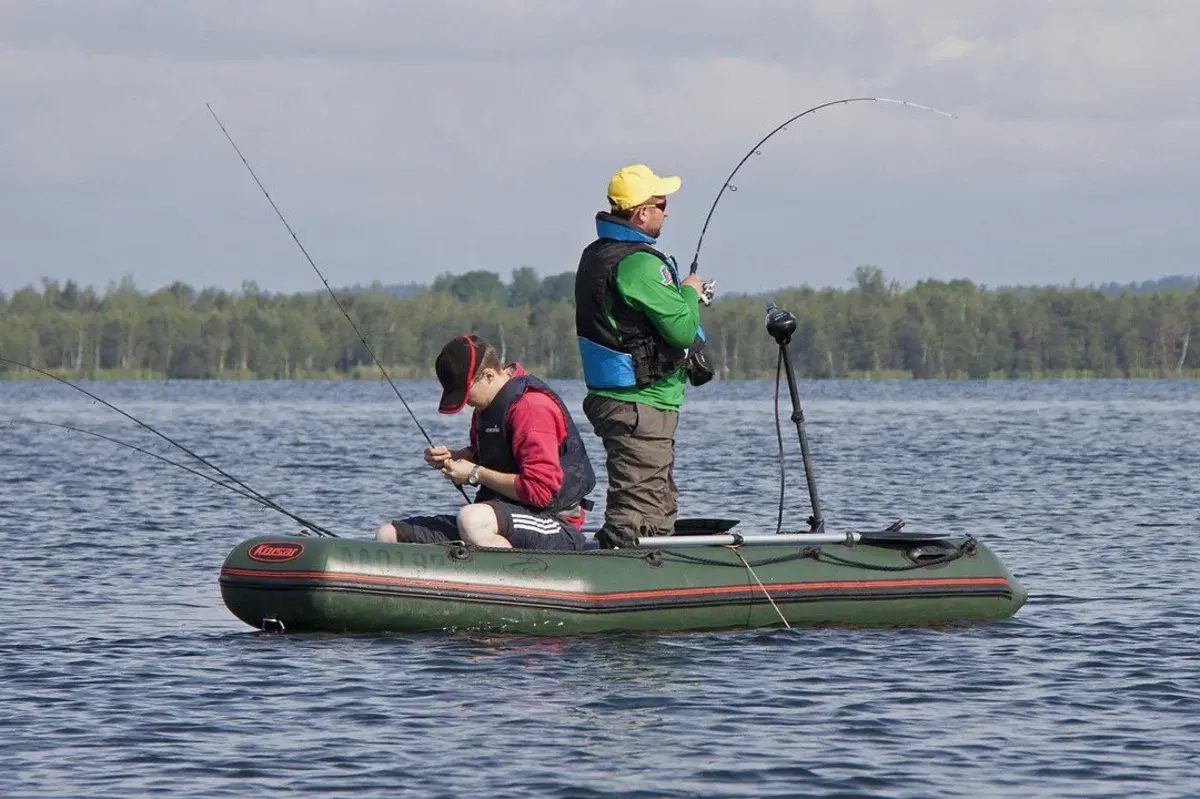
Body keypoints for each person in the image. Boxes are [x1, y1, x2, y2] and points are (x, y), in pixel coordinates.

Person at [574, 164, 715, 549]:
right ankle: (622, 579)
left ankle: (647, 572)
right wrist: (689, 291)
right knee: (638, 515)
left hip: (627, 402)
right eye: (661, 204)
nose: (666, 212)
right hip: (639, 405)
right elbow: (682, 331)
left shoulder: (596, 254)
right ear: (640, 213)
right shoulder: (639, 263)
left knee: (657, 505)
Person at [376, 335, 596, 550]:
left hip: (554, 523)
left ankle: (515, 584)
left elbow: (541, 491)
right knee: (389, 535)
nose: (467, 403)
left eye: (466, 393)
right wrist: (456, 457)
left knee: (472, 519)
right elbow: (494, 456)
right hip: (503, 517)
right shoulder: (487, 405)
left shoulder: (531, 408)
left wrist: (474, 473)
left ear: (489, 375)